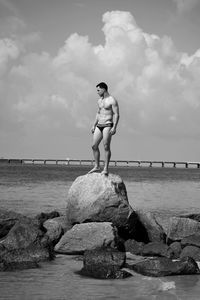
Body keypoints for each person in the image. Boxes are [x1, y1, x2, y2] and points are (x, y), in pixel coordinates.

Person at [88, 82, 120, 175]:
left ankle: (105, 168)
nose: (97, 92)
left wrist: (114, 127)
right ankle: (97, 166)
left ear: (103, 89)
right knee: (94, 146)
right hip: (99, 124)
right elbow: (98, 113)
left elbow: (117, 114)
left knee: (106, 146)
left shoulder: (112, 100)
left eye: (98, 90)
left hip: (108, 124)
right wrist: (94, 125)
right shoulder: (99, 101)